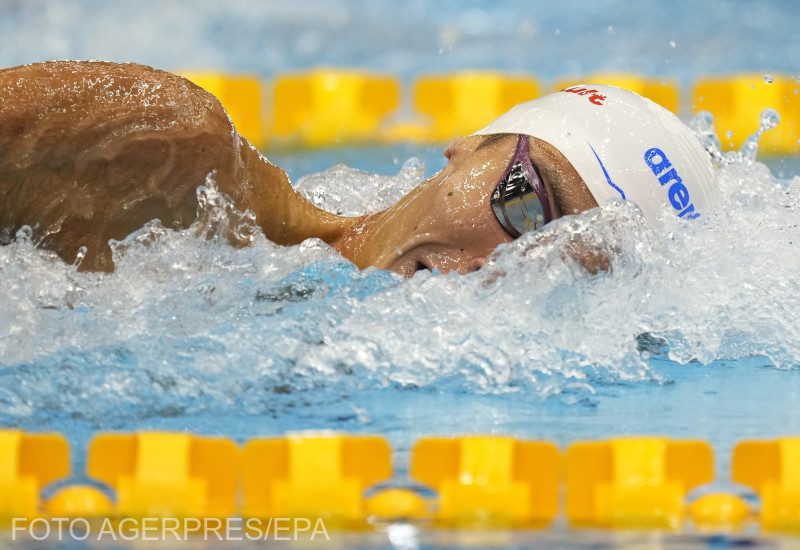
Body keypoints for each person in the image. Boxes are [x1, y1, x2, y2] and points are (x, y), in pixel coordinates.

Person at [0, 61, 718, 276]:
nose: (497, 268)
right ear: (468, 146)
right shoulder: (172, 154)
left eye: (556, 267)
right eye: (526, 208)